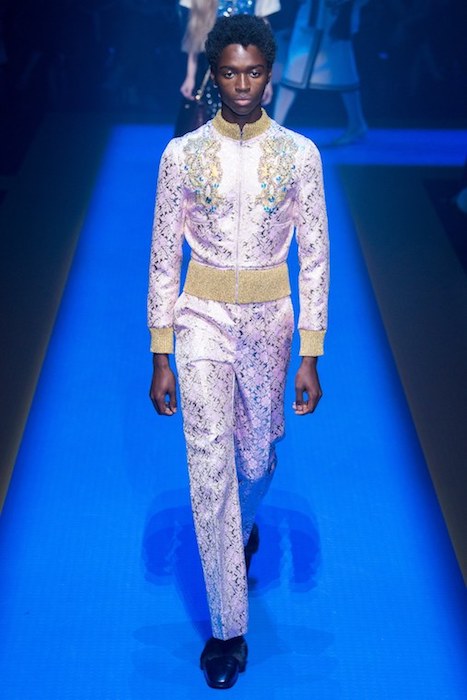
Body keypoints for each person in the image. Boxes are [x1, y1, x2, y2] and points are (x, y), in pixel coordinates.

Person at [148, 14, 329, 690]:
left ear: (270, 73)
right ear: (214, 76)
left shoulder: (300, 155)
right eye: (230, 72)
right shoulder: (181, 155)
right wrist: (160, 351)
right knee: (209, 468)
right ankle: (228, 630)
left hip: (269, 325)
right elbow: (162, 255)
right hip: (199, 319)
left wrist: (310, 352)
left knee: (253, 458)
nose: (242, 84)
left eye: (253, 72)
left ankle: (243, 523)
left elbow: (315, 257)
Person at [273, 0, 368, 145]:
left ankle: (357, 123)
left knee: (344, 70)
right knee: (293, 71)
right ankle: (276, 127)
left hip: (334, 14)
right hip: (312, 15)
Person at [179, 0, 280, 121]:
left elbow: (265, 38)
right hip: (211, 67)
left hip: (248, 64)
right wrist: (190, 77)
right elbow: (195, 34)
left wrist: (268, 81)